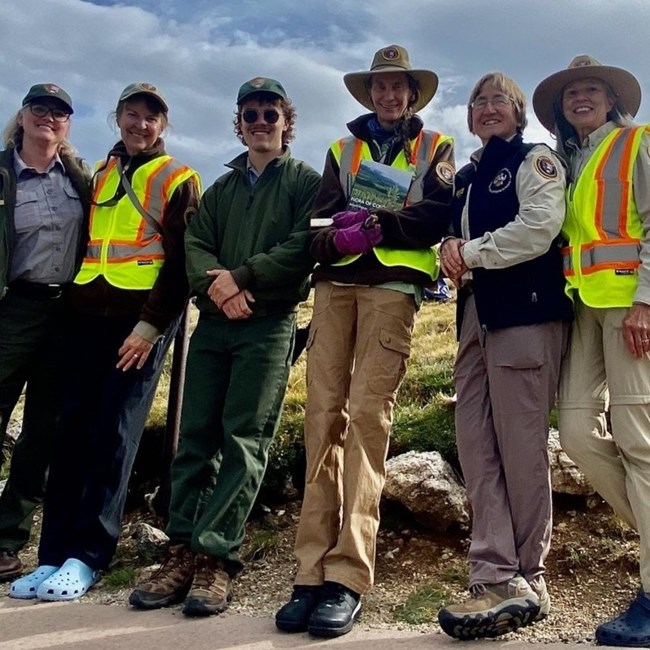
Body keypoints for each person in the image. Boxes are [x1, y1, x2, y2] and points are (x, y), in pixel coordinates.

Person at [275, 44, 455, 638]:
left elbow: (436, 217)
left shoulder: (436, 148)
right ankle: (309, 571)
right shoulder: (340, 150)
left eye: (398, 86)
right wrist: (339, 238)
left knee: (369, 420)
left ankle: (347, 576)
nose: (388, 95)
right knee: (321, 417)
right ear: (368, 93)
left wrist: (378, 226)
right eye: (379, 86)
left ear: (413, 94)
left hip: (392, 292)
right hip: (336, 290)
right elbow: (319, 229)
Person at [128, 77, 320, 618]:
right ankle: (182, 548)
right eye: (251, 114)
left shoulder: (304, 182)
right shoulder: (221, 189)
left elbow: (302, 244)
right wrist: (218, 290)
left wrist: (240, 278)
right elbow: (194, 243)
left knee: (244, 440)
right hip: (213, 324)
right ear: (239, 123)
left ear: (287, 122)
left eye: (271, 114)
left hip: (268, 325)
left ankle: (218, 556)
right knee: (195, 438)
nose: (261, 122)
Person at [9, 82, 200, 600]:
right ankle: (51, 556)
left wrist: (150, 326)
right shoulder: (100, 172)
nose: (141, 124)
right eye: (132, 114)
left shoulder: (179, 176)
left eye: (151, 118)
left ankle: (89, 556)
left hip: (138, 323)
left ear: (163, 126)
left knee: (114, 433)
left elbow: (183, 262)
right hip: (84, 316)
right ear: (118, 118)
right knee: (70, 430)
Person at [436, 72, 573, 640]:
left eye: (499, 101)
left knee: (520, 449)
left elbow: (540, 228)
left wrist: (470, 251)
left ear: (519, 114)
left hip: (526, 316)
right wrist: (448, 247)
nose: (488, 108)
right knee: (476, 444)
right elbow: (451, 245)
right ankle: (493, 573)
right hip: (473, 319)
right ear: (469, 118)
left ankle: (530, 576)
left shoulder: (535, 159)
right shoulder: (465, 177)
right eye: (478, 102)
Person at [533, 55, 650, 647]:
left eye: (592, 90)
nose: (581, 98)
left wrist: (646, 303)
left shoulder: (636, 143)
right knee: (577, 432)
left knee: (637, 439)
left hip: (630, 308)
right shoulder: (568, 161)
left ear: (611, 100)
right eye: (572, 92)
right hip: (583, 307)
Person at [0, 84, 90, 581]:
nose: (48, 118)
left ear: (68, 125)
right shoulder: (1, 172)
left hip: (64, 314)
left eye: (59, 113)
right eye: (40, 109)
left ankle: (9, 537)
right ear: (22, 115)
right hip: (12, 307)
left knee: (42, 432)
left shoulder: (79, 178)